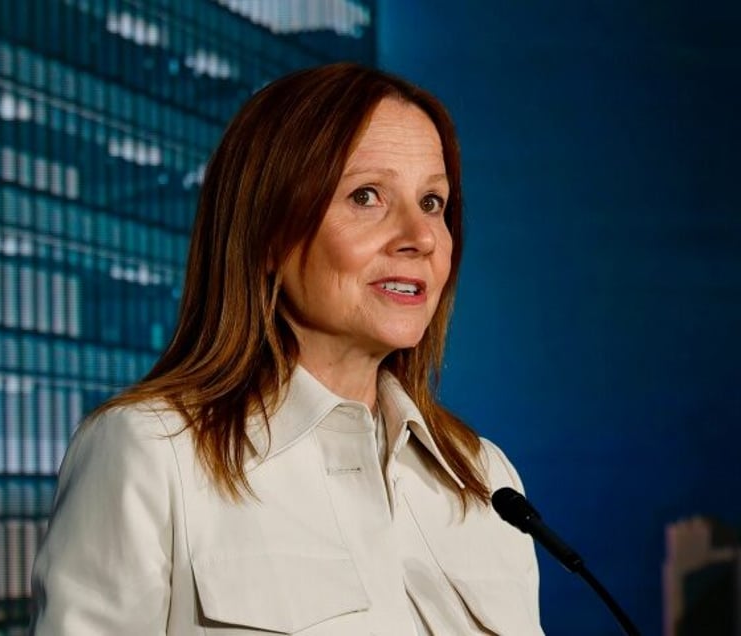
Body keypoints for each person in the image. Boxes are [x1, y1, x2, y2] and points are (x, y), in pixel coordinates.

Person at [29, 62, 544, 635]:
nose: (421, 237)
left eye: (432, 203)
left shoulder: (483, 476)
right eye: (366, 196)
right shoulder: (150, 453)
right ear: (268, 231)